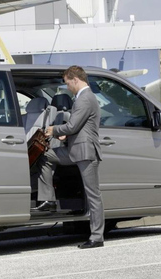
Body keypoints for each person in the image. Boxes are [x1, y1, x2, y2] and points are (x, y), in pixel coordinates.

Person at [33, 65, 105, 249]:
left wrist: (54, 130)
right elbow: (79, 126)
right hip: (75, 150)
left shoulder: (85, 98)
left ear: (75, 79)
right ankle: (48, 199)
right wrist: (65, 135)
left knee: (93, 195)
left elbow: (73, 126)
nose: (67, 87)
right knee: (46, 156)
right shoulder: (82, 98)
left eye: (67, 83)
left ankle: (97, 237)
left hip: (85, 152)